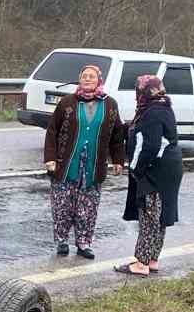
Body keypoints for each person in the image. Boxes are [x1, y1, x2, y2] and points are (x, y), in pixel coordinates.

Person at [43, 63, 125, 259]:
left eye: (92, 76)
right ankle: (62, 241)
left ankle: (84, 243)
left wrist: (118, 160)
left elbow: (117, 135)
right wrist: (50, 158)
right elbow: (52, 130)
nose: (87, 79)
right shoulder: (67, 103)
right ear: (79, 79)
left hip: (93, 166)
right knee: (62, 205)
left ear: (99, 80)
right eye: (84, 76)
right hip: (65, 164)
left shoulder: (110, 104)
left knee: (87, 208)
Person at [116, 73, 184, 277]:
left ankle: (141, 263)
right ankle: (152, 259)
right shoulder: (164, 106)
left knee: (148, 215)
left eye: (137, 91)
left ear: (143, 92)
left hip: (156, 170)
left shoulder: (152, 112)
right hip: (170, 168)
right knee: (160, 216)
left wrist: (137, 169)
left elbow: (150, 146)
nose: (136, 95)